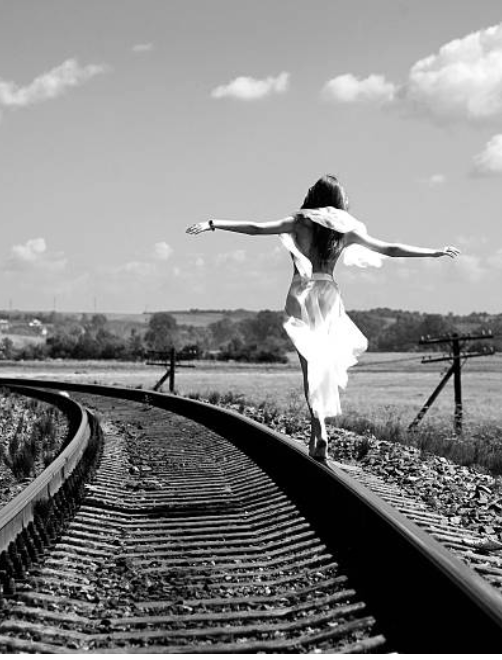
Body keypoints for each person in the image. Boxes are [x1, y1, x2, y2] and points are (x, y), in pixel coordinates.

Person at [186, 174, 460, 463]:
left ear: (314, 196)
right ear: (337, 200)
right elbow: (389, 249)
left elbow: (255, 228)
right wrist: (434, 252)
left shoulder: (299, 222)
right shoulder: (345, 230)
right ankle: (321, 430)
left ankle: (319, 429)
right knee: (324, 363)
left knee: (309, 367)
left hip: (301, 293)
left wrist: (213, 223)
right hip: (329, 294)